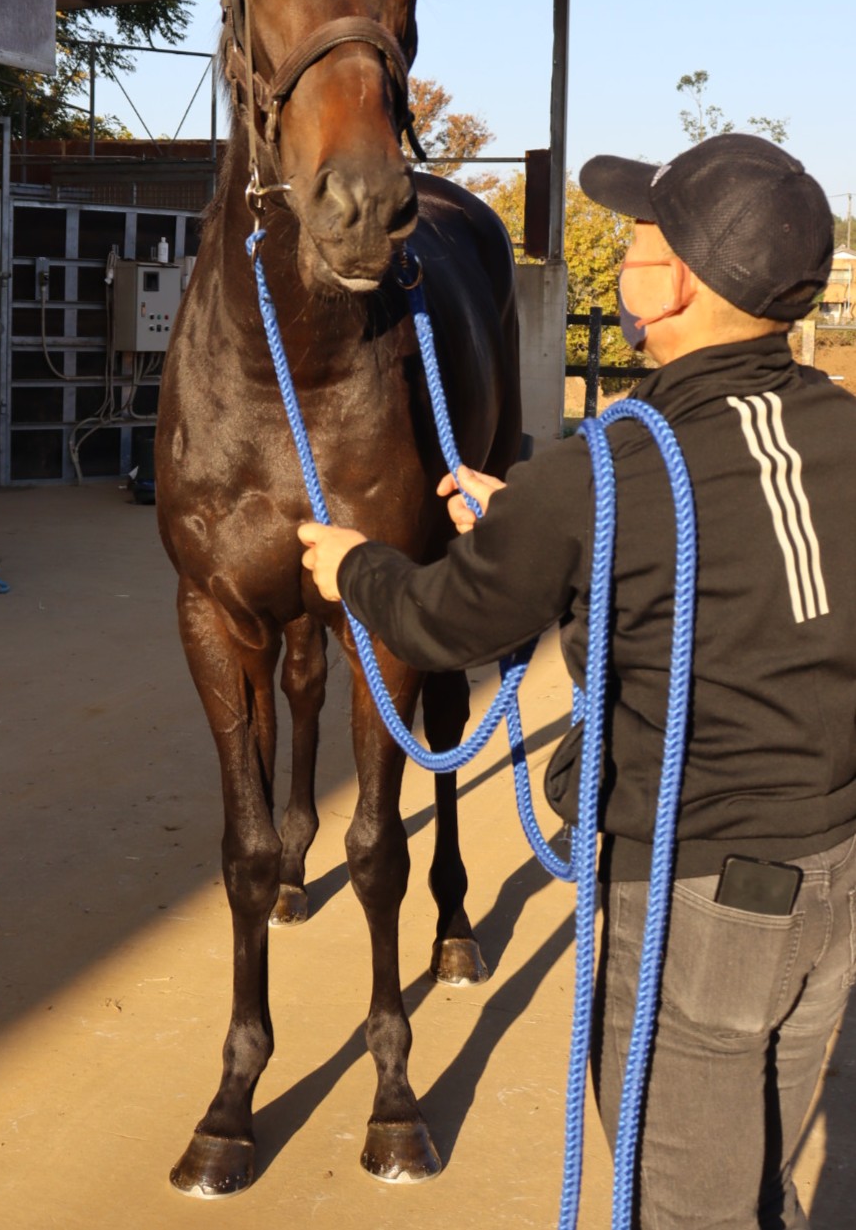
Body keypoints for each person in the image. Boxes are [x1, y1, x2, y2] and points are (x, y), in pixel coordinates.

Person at [298, 132, 856, 1229]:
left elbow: (440, 620)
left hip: (698, 894)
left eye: (639, 239)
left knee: (683, 1202)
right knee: (758, 1181)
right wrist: (540, 529)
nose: (622, 258)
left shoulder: (603, 473)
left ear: (677, 284)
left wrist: (351, 564)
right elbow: (740, 558)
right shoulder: (832, 431)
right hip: (832, 875)